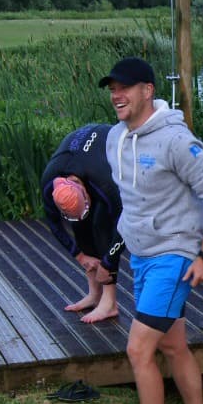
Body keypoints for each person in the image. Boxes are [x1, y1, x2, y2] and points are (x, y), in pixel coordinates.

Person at [101, 56, 203, 404]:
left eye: (124, 87)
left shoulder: (176, 141)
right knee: (174, 345)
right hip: (141, 254)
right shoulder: (114, 138)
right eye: (111, 88)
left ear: (147, 90)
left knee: (139, 349)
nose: (116, 95)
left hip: (173, 256)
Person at [38, 122, 125, 324]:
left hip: (107, 146)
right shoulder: (49, 184)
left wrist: (108, 263)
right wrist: (79, 255)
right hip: (79, 158)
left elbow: (125, 224)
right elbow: (54, 225)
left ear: (85, 191)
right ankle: (94, 294)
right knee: (81, 225)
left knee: (101, 224)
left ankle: (109, 302)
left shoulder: (105, 182)